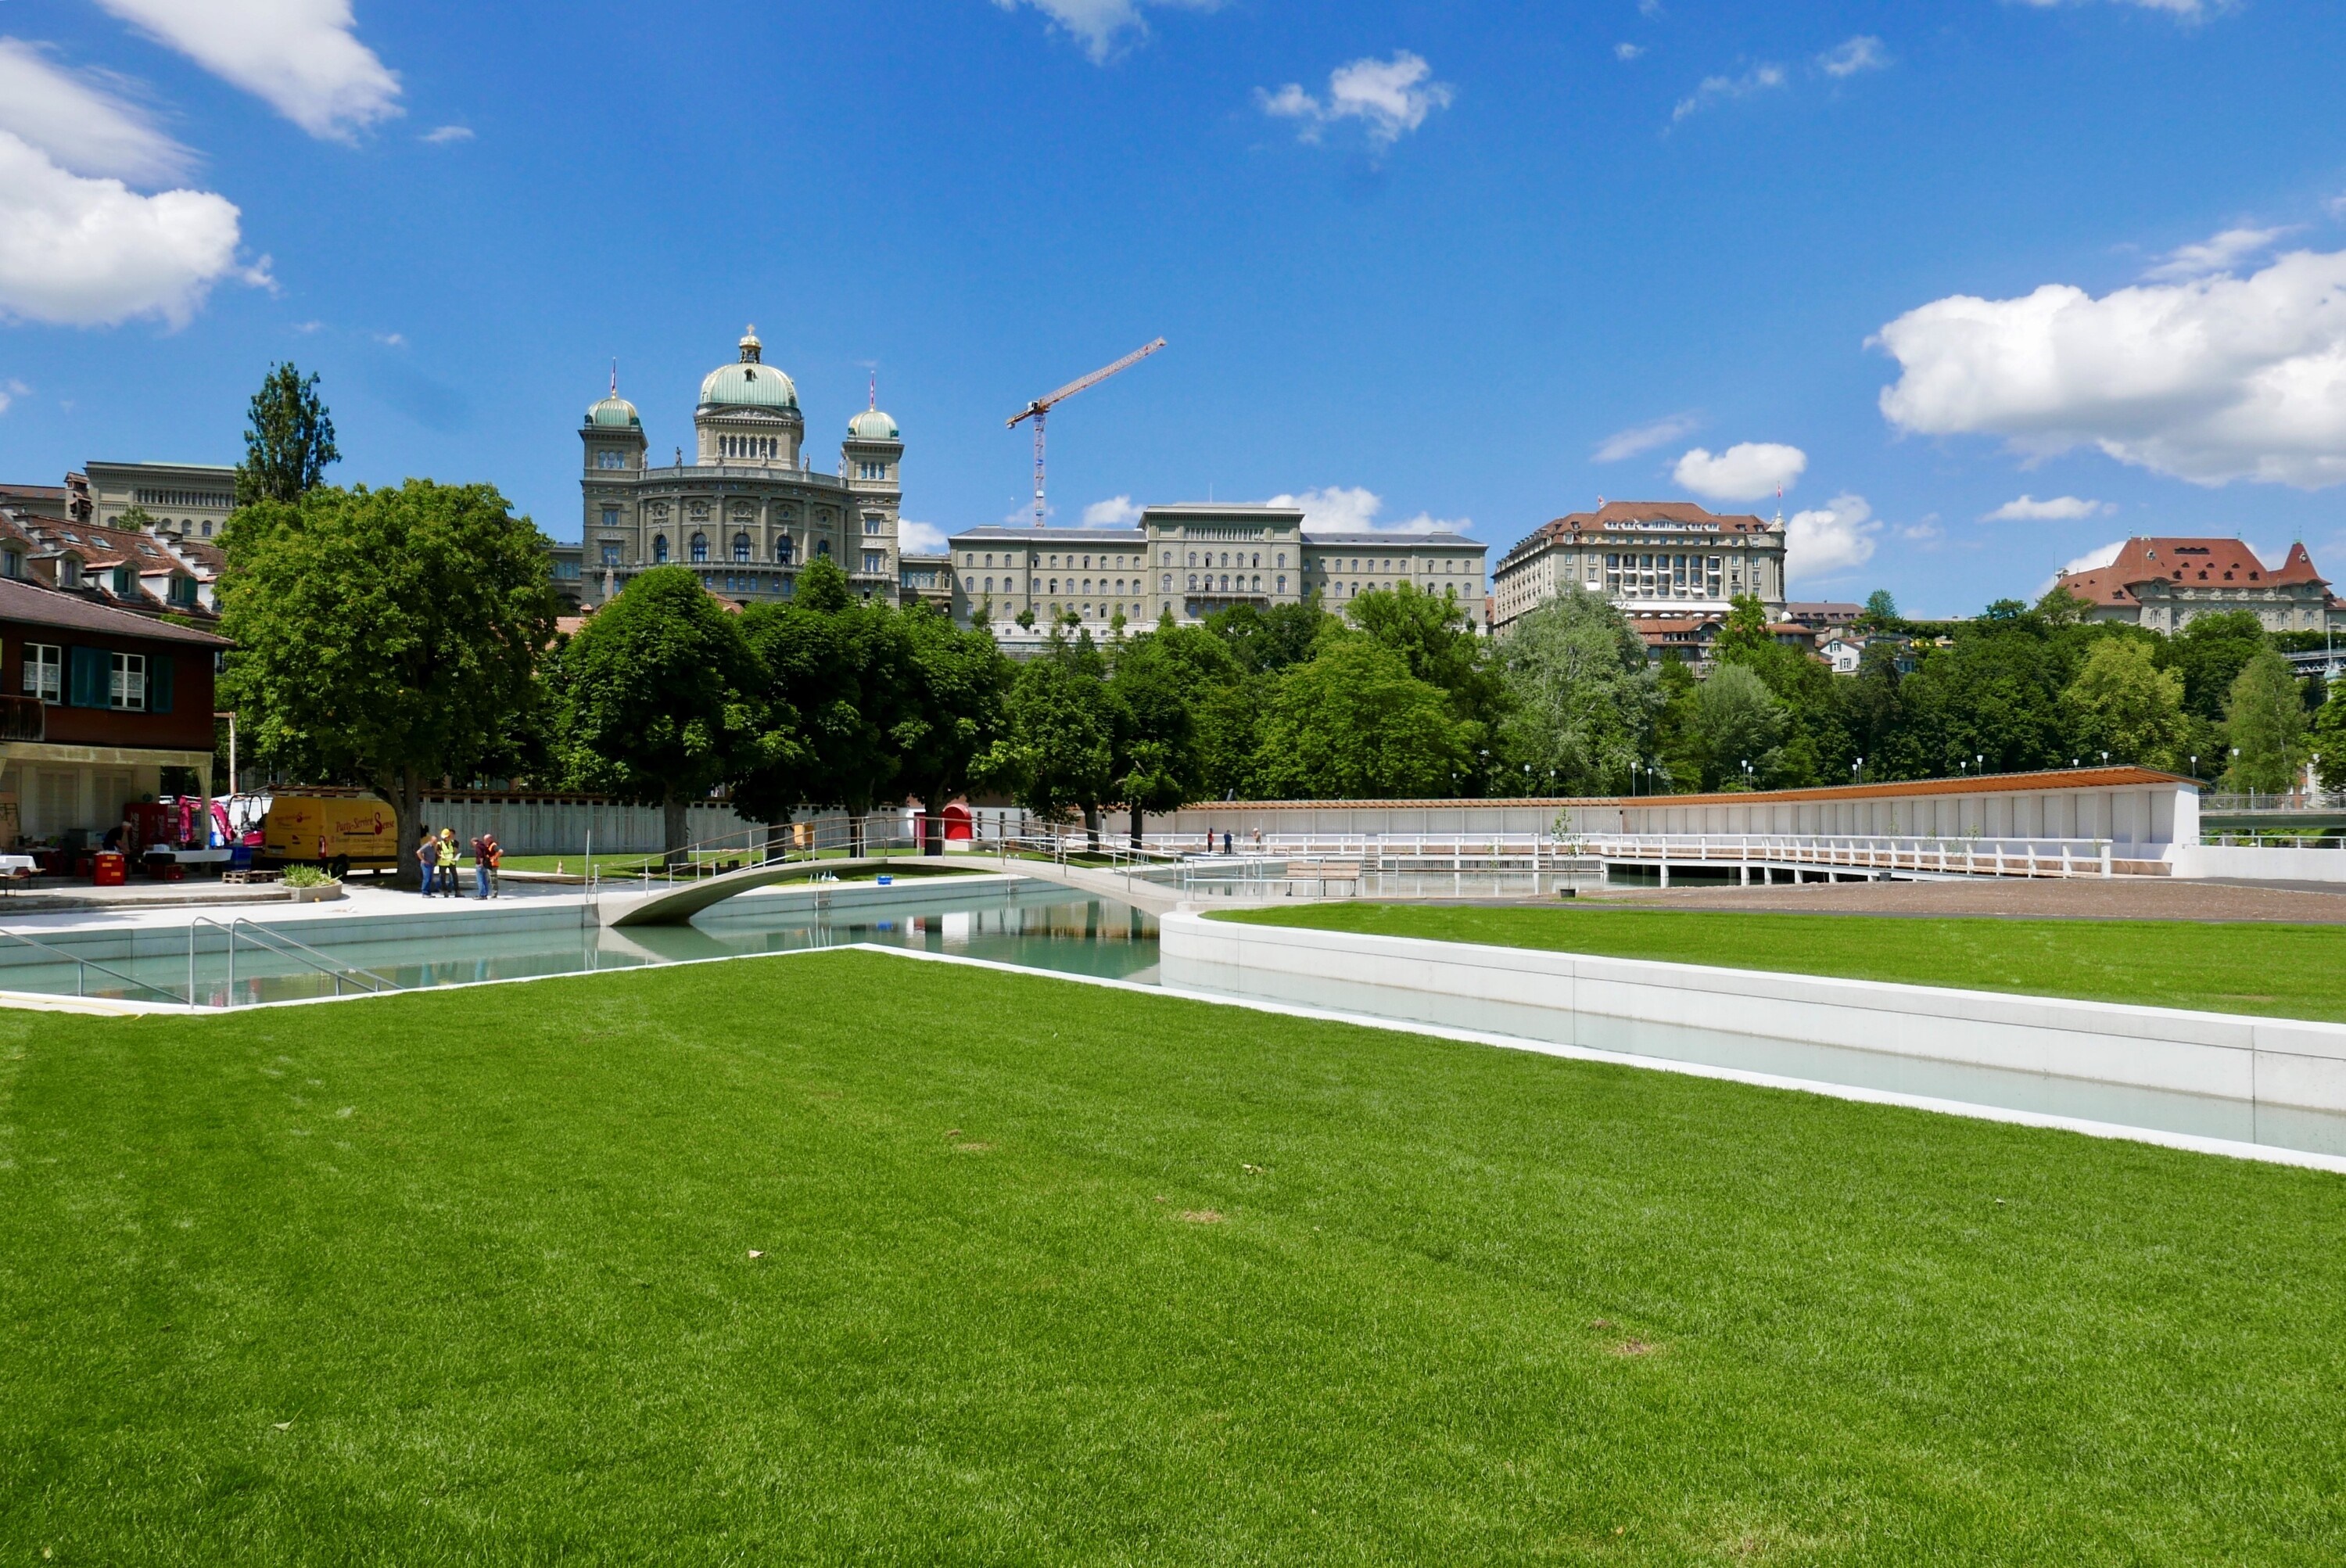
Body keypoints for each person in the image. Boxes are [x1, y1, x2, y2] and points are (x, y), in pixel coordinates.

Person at [436, 827, 461, 896]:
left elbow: (455, 852)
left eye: (447, 837)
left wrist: (454, 857)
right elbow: (438, 853)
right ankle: (445, 891)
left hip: (451, 862)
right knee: (443, 877)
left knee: (455, 877)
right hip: (443, 862)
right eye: (445, 837)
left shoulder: (453, 843)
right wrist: (441, 856)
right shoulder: (439, 844)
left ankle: (457, 892)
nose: (446, 838)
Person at [415, 827, 438, 895]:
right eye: (434, 842)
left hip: (431, 864)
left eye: (436, 842)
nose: (435, 843)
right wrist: (423, 860)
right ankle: (424, 892)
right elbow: (418, 852)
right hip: (426, 864)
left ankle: (428, 892)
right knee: (426, 878)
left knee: (430, 879)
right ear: (431, 840)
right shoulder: (427, 846)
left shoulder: (433, 847)